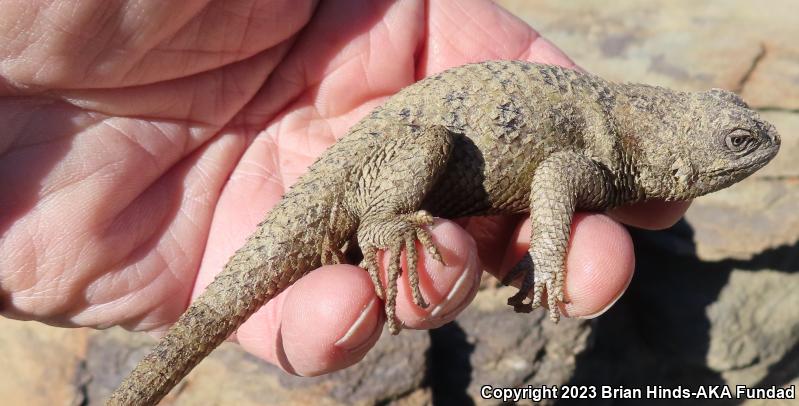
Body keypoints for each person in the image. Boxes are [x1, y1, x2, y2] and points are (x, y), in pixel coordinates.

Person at [0, 0, 688, 376]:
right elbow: (561, 172)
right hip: (388, 168)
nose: (751, 148)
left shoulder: (627, 151)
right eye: (735, 142)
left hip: (405, 159)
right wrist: (544, 258)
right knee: (419, 169)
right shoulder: (604, 161)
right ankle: (382, 222)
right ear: (682, 159)